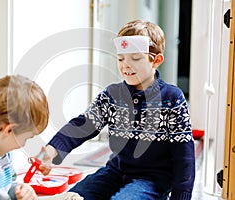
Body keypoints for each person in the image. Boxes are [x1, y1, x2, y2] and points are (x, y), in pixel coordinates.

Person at [38, 19, 195, 200]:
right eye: (120, 58)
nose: (125, 65)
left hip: (152, 180)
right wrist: (52, 150)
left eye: (135, 58)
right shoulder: (113, 95)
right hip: (115, 172)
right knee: (73, 196)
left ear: (156, 61)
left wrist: (181, 196)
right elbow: (83, 125)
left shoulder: (172, 98)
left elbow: (184, 156)